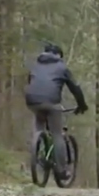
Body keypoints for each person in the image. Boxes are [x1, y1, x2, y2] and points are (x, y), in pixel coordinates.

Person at [24, 44, 89, 180]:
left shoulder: (35, 66)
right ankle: (62, 170)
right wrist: (81, 105)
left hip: (32, 101)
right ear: (59, 55)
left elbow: (32, 83)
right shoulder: (62, 67)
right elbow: (75, 88)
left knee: (38, 126)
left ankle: (37, 150)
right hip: (52, 103)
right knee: (57, 134)